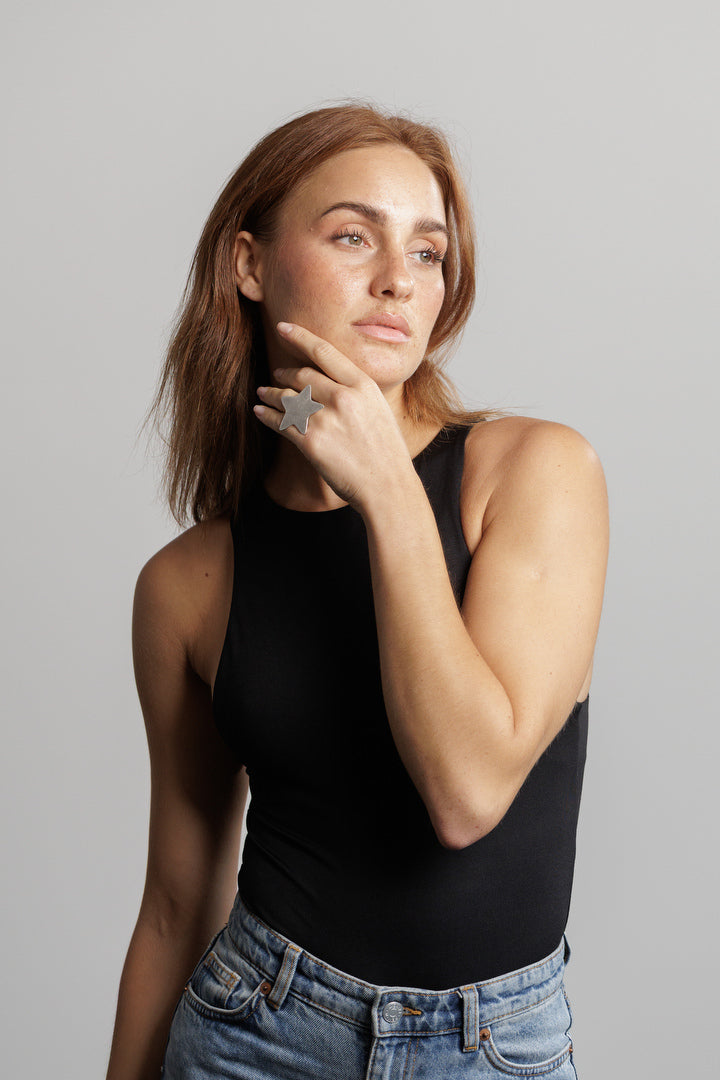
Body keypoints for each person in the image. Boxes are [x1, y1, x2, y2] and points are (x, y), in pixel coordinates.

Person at [106, 102, 609, 1079]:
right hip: (253, 1031)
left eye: (428, 253)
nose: (397, 281)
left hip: (490, 1048)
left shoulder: (537, 474)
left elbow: (467, 793)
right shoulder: (186, 585)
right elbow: (175, 904)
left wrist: (386, 488)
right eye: (352, 236)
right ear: (250, 264)